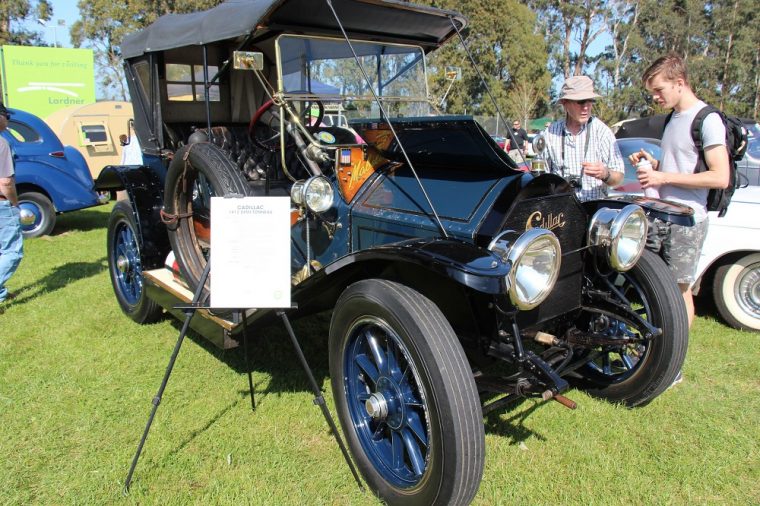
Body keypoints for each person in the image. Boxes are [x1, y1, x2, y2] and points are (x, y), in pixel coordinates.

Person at [629, 54, 729, 331]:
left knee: (678, 292)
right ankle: (657, 355)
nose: (656, 98)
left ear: (680, 83)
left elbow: (719, 176)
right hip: (661, 214)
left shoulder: (707, 120)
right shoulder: (672, 119)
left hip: (687, 220)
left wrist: (661, 175)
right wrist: (653, 164)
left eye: (659, 90)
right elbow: (681, 166)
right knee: (653, 289)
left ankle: (674, 365)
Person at [542, 75, 624, 201]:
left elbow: (618, 177)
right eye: (580, 102)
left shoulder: (602, 132)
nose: (586, 107)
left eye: (590, 101)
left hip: (594, 211)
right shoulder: (550, 133)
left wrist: (605, 174)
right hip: (560, 212)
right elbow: (543, 178)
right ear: (565, 103)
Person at [0, 102, 24, 310]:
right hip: (1, 204)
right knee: (12, 251)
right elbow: (5, 182)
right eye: (6, 116)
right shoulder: (1, 143)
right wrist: (14, 204)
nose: (7, 120)